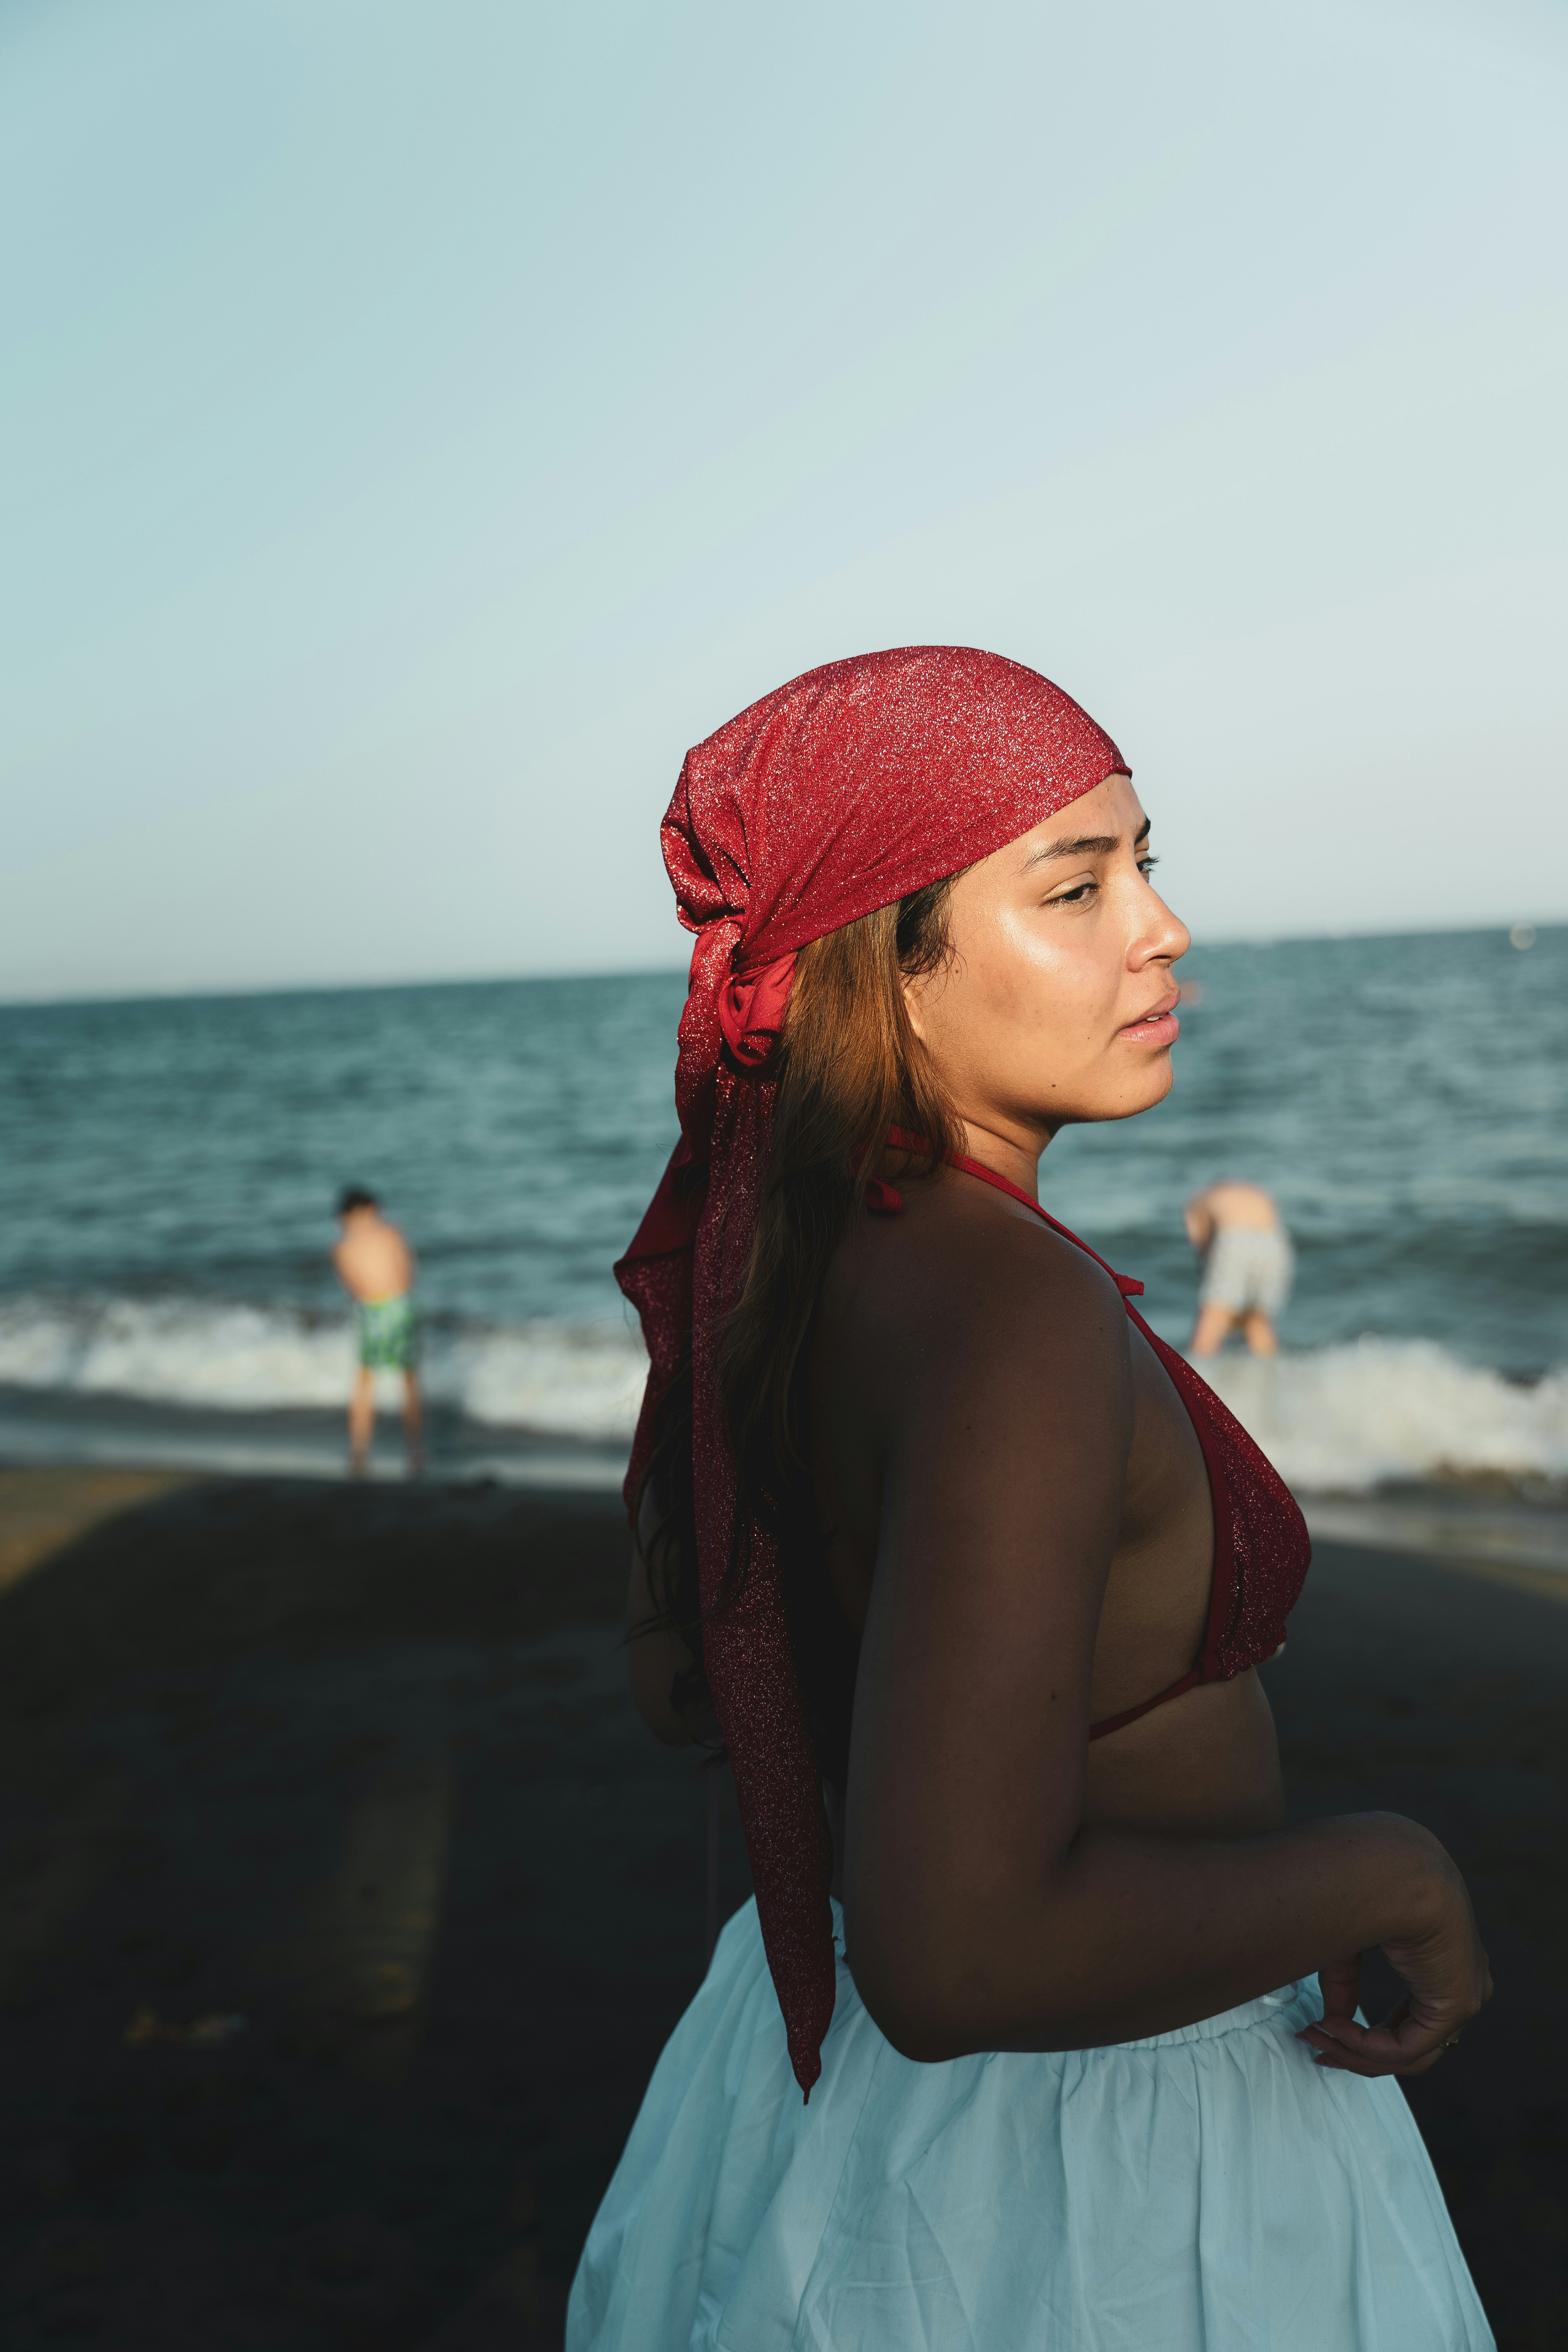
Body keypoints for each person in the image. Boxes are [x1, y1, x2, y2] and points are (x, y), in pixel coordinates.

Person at [570, 650, 1492, 2350]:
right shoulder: (1009, 1317)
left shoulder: (788, 1253)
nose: (1161, 927)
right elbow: (957, 1956)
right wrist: (1389, 1871)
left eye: (1142, 859)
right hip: (1080, 2176)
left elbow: (672, 1666)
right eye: (1074, 884)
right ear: (885, 966)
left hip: (806, 2087)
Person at [331, 1185, 423, 1476]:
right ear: (370, 1210)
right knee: (408, 1380)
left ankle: (359, 1451)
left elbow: (353, 1289)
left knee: (364, 1381)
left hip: (370, 1311)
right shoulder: (392, 1234)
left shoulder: (343, 1247)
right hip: (398, 1307)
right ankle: (415, 1451)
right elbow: (408, 1274)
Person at [1185, 1179, 1294, 1357]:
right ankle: (1270, 1377)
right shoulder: (1255, 1191)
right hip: (1276, 1240)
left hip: (1235, 1237)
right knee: (1258, 1320)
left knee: (1212, 1318)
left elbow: (1199, 1239)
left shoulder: (1201, 1198)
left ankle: (1191, 1377)